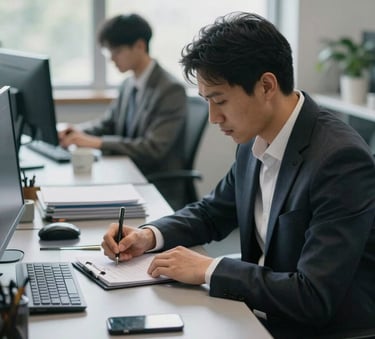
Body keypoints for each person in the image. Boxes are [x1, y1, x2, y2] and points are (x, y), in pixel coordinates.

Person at [102, 12, 375, 338]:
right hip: (260, 308)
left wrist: (209, 268)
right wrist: (149, 236)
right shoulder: (253, 141)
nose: (214, 118)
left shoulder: (339, 160)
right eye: (206, 102)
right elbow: (211, 213)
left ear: (266, 86)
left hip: (318, 328)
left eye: (220, 101)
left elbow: (313, 296)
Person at [59, 14, 187, 205]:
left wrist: (97, 143)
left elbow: (153, 149)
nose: (111, 59)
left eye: (117, 51)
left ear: (140, 46)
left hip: (154, 184)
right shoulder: (128, 84)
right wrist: (76, 132)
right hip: (127, 174)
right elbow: (108, 124)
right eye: (109, 51)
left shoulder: (170, 89)